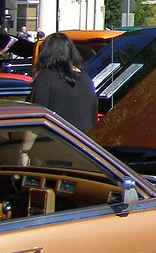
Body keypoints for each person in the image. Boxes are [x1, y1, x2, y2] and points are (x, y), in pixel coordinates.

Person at [20, 32, 99, 165]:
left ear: (46, 52)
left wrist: (24, 152)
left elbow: (34, 121)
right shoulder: (86, 79)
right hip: (84, 153)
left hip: (52, 155)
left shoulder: (45, 78)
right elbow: (92, 118)